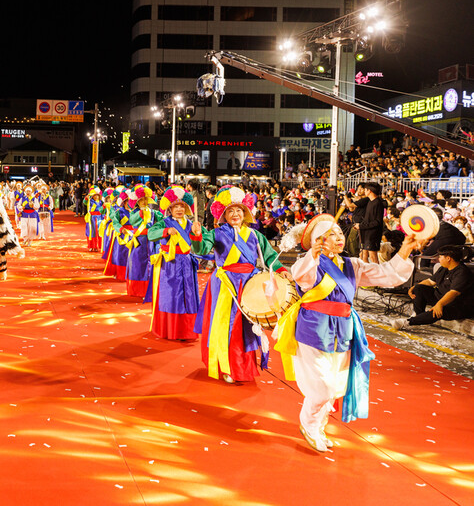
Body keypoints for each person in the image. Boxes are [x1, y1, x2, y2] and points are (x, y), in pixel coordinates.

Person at [276, 219, 422, 453]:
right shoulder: (309, 263)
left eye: (339, 233)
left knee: (334, 386)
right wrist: (312, 256)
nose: (339, 237)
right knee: (322, 387)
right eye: (331, 234)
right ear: (318, 241)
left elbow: (386, 274)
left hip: (343, 328)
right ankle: (309, 424)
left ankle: (319, 424)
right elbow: (301, 276)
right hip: (314, 327)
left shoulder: (351, 264)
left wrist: (406, 248)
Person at [190, 186, 293, 383]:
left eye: (239, 210)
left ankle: (244, 366)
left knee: (246, 327)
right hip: (225, 285)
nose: (235, 214)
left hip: (249, 284)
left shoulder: (255, 235)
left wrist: (282, 271)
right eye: (230, 210)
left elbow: (270, 257)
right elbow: (200, 248)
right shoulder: (217, 233)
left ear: (245, 212)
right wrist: (196, 235)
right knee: (226, 326)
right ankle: (226, 366)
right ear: (223, 214)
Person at [146, 186, 199, 341]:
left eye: (182, 206)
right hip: (170, 263)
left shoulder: (190, 224)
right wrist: (166, 232)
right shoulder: (164, 222)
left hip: (187, 263)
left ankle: (187, 331)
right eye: (176, 206)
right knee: (172, 296)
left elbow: (197, 245)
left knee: (188, 295)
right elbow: (150, 234)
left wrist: (198, 234)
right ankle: (170, 329)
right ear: (169, 208)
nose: (179, 209)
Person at [393, 244, 474, 329]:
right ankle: (418, 315)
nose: (438, 259)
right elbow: (430, 282)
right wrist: (414, 287)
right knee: (419, 288)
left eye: (440, 257)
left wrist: (440, 304)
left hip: (457, 306)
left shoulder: (462, 272)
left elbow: (454, 292)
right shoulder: (444, 268)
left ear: (448, 258)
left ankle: (408, 322)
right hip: (441, 298)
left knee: (438, 311)